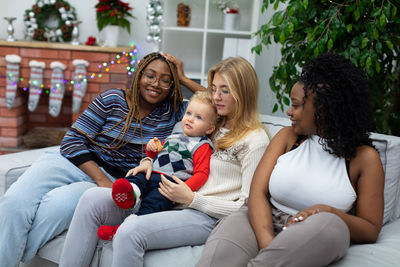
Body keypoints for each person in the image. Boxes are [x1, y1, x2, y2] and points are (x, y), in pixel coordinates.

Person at [59, 56, 270, 267]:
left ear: (243, 92)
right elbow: (175, 147)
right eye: (213, 88)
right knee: (91, 198)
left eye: (225, 90)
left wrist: (193, 199)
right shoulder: (208, 121)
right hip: (165, 196)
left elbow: (249, 206)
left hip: (205, 214)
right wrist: (148, 161)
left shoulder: (254, 140)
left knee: (130, 232)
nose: (216, 97)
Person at [0, 52, 197, 267]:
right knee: (14, 202)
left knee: (55, 209)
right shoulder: (113, 98)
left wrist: (184, 79)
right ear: (139, 74)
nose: (156, 84)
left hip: (109, 179)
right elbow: (72, 140)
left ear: (172, 84)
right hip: (71, 162)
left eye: (165, 80)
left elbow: (217, 106)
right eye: (150, 75)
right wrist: (102, 180)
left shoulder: (174, 111)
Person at [196, 53, 385, 267]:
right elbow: (257, 192)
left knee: (332, 224)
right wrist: (267, 241)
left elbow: (370, 228)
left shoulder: (364, 159)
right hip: (261, 218)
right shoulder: (288, 137)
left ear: (322, 108)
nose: (289, 111)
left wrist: (328, 211)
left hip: (316, 230)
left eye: (295, 105)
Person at [97, 90, 219, 241]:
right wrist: (151, 149)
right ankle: (131, 194)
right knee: (137, 177)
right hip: (152, 173)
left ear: (209, 129)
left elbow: (202, 174)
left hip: (170, 183)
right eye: (188, 113)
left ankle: (124, 228)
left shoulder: (202, 145)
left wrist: (183, 190)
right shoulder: (174, 135)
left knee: (154, 203)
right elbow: (156, 155)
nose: (190, 119)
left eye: (198, 117)